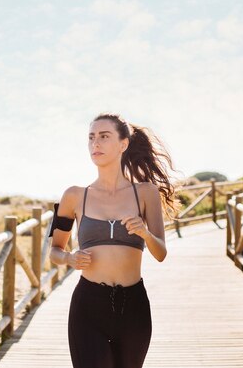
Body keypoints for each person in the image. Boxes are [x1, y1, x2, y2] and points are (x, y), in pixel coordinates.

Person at [48, 112, 180, 368]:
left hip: (133, 307)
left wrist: (145, 233)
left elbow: (161, 252)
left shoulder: (145, 193)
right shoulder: (73, 196)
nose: (95, 144)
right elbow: (54, 251)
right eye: (91, 138)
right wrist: (69, 258)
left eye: (104, 137)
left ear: (123, 144)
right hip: (88, 305)